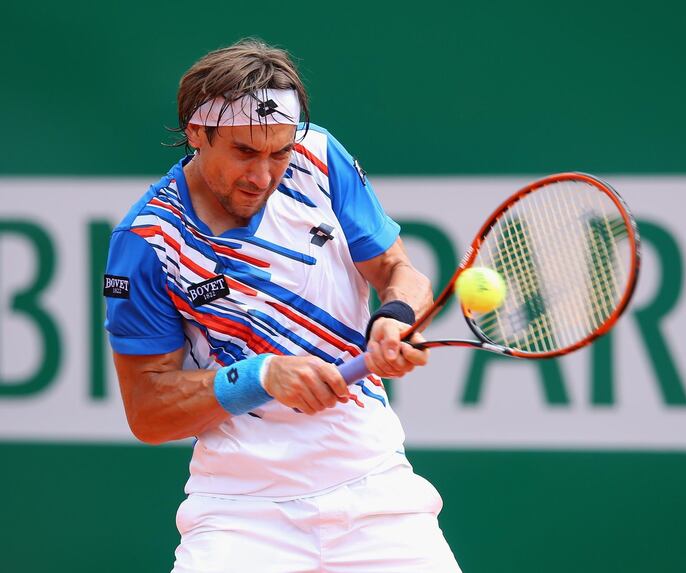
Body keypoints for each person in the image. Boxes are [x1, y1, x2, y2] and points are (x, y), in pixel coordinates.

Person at [104, 38, 461, 572]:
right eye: (245, 152)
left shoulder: (319, 157)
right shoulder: (148, 241)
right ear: (197, 134)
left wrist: (395, 317)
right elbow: (148, 411)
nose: (264, 176)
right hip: (239, 515)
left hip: (375, 493)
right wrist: (262, 376)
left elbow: (396, 271)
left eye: (279, 152)